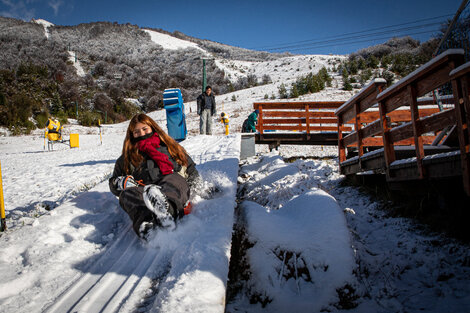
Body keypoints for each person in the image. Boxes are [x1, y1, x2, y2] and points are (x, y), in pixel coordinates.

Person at [109, 113, 200, 239]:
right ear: (132, 135)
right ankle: (147, 226)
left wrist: (199, 187)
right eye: (136, 132)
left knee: (172, 180)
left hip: (172, 184)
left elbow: (190, 168)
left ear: (152, 128)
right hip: (145, 193)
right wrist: (119, 183)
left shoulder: (170, 147)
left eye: (144, 129)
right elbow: (114, 181)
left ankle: (167, 211)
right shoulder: (126, 158)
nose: (141, 134)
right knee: (127, 194)